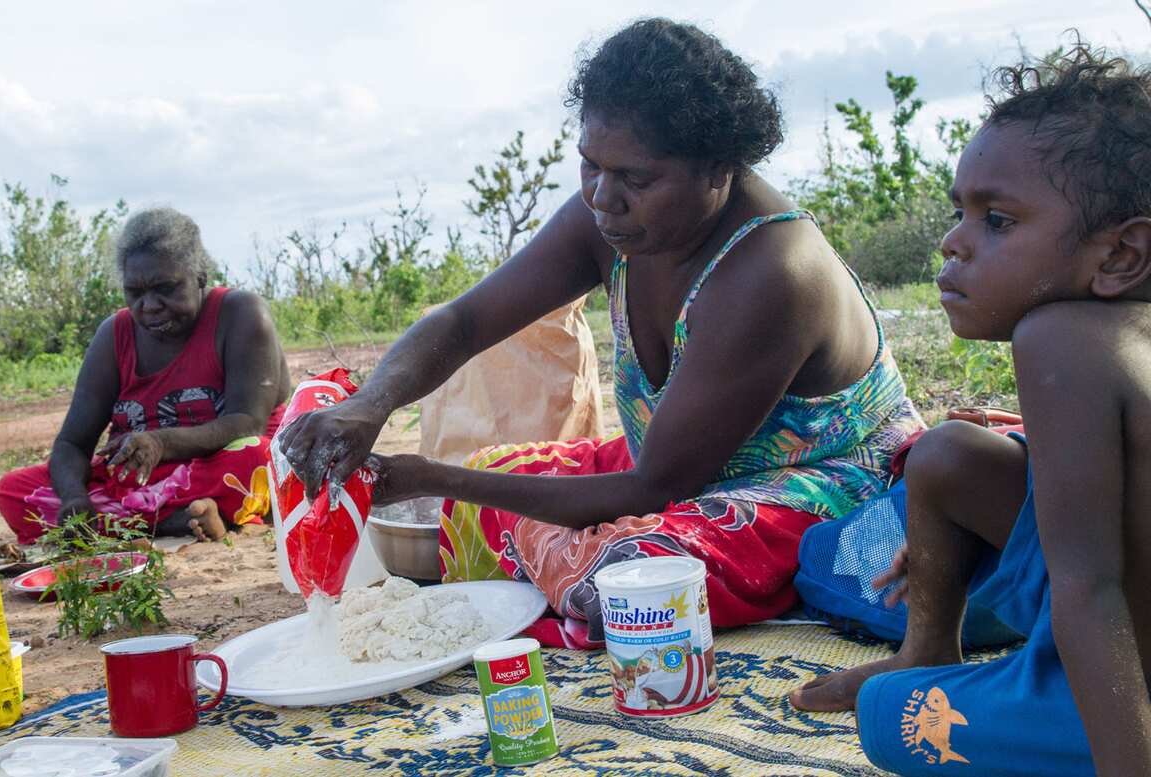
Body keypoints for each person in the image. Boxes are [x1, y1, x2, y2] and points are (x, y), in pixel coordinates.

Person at [280, 19, 924, 648]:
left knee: (631, 570)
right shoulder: (610, 220)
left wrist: (433, 477)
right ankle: (552, 592)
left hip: (820, 482)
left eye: (636, 179)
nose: (602, 197)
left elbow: (655, 491)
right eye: (591, 166)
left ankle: (569, 599)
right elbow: (467, 319)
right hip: (676, 467)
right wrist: (370, 403)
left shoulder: (771, 274)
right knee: (488, 477)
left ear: (718, 169)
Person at [788, 43, 1151, 776]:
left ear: (1119, 256)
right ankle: (926, 646)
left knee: (890, 719)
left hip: (1132, 690)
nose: (954, 241)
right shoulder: (1119, 329)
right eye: (962, 211)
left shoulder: (1056, 340)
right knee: (948, 453)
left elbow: (1091, 588)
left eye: (998, 220)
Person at [0, 208, 291, 544]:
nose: (149, 305)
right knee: (13, 492)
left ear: (199, 277)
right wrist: (75, 498)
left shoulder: (239, 314)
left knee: (256, 456)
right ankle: (180, 520)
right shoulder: (114, 335)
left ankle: (134, 522)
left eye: (165, 288)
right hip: (137, 479)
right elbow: (72, 443)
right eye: (135, 293)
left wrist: (161, 442)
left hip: (218, 464)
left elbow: (247, 422)